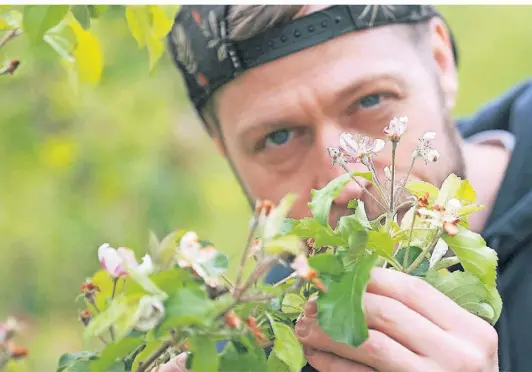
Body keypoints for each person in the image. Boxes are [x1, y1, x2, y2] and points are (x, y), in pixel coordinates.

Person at [158, 4, 532, 372]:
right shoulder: (265, 346)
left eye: (370, 101)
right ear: (222, 147)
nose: (346, 185)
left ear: (440, 61)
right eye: (279, 137)